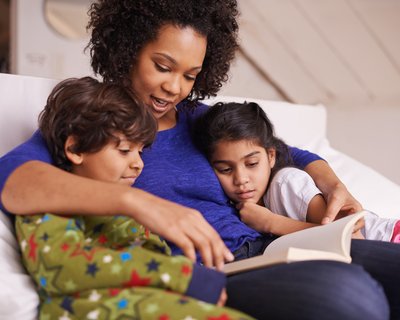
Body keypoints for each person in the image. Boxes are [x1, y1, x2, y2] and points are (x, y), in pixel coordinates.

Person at [0, 0, 399, 318]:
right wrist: (139, 202)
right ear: (127, 48)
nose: (174, 87)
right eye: (162, 66)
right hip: (210, 273)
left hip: (270, 246)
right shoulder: (95, 122)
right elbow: (14, 180)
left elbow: (285, 150)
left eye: (190, 75)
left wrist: (333, 186)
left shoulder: (199, 120)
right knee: (353, 298)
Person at [15, 76, 251, 319]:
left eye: (140, 151)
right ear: (75, 149)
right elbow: (63, 267)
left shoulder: (128, 210)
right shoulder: (50, 200)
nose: (138, 164)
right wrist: (180, 276)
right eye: (125, 150)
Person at [194, 101, 400, 242]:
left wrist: (271, 223)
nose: (241, 179)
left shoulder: (285, 184)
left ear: (271, 156)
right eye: (225, 169)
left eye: (252, 164)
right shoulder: (244, 207)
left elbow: (350, 237)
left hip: (389, 241)